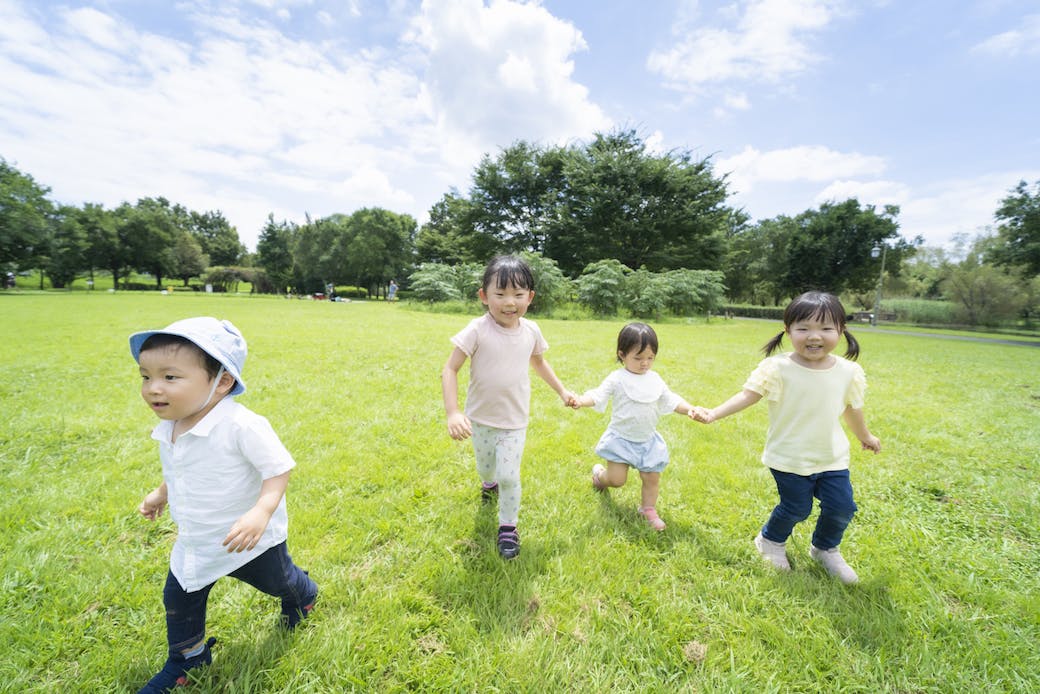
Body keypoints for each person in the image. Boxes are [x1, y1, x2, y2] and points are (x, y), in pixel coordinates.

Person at [129, 317, 318, 693]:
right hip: (197, 540)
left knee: (279, 581)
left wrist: (261, 512)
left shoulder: (242, 425)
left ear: (222, 382)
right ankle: (188, 658)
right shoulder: (173, 425)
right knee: (179, 597)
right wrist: (161, 492)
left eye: (169, 377)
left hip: (247, 539)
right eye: (145, 376)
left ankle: (304, 595)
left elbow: (278, 470)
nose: (153, 389)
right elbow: (183, 467)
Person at [693, 291, 881, 584]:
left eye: (826, 328)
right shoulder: (778, 368)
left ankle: (825, 548)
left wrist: (866, 436)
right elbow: (748, 396)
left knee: (842, 506)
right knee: (796, 507)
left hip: (832, 456)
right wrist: (714, 413)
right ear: (788, 330)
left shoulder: (848, 372)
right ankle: (770, 541)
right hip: (789, 456)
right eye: (803, 328)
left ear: (841, 331)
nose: (814, 336)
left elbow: (852, 409)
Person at [441, 255, 576, 559]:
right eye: (499, 294)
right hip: (479, 420)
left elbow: (539, 362)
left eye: (517, 294)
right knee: (487, 469)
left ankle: (507, 529)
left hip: (515, 421)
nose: (509, 302)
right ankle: (488, 483)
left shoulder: (531, 331)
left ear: (530, 297)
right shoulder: (477, 329)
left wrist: (562, 391)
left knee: (510, 475)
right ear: (483, 296)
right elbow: (450, 369)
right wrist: (453, 412)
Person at [570, 322, 699, 531]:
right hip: (621, 439)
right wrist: (581, 400)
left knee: (651, 477)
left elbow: (671, 399)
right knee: (617, 480)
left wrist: (690, 409)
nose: (644, 363)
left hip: (647, 441)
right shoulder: (617, 378)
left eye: (650, 358)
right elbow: (597, 395)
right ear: (622, 354)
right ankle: (600, 477)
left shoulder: (655, 379)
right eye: (638, 358)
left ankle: (648, 509)